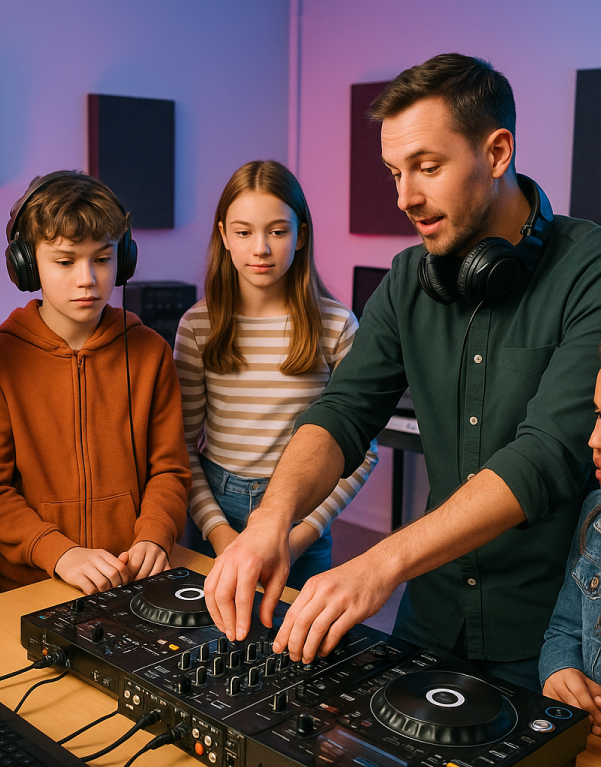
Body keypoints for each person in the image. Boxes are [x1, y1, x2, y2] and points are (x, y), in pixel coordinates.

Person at [204, 53, 601, 692]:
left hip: (550, 643)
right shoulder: (404, 280)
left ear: (497, 152)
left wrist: (379, 564)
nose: (404, 197)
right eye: (394, 172)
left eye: (428, 166)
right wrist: (270, 521)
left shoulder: (590, 268)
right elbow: (343, 411)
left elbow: (544, 455)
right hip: (430, 621)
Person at [0, 171, 190, 594]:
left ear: (122, 260)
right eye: (65, 261)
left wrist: (155, 533)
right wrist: (60, 553)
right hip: (34, 583)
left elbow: (170, 469)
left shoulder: (150, 353)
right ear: (27, 264)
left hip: (133, 576)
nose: (87, 278)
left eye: (102, 259)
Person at [174, 160, 378, 590]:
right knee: (219, 641)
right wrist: (219, 533)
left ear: (301, 235)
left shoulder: (337, 324)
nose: (261, 248)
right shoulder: (198, 326)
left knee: (298, 643)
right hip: (218, 509)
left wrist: (301, 535)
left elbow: (361, 454)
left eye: (278, 231)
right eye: (244, 232)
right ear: (224, 236)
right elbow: (183, 446)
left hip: (303, 512)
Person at [539, 365, 601, 734]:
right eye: (598, 414)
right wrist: (559, 670)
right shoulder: (594, 515)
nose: (593, 439)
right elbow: (564, 629)